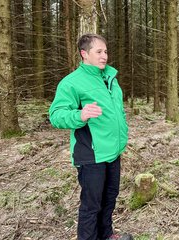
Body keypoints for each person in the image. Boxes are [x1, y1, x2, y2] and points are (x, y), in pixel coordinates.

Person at [49, 34, 132, 240]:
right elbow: (56, 115)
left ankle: (106, 235)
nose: (104, 56)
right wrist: (80, 115)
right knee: (91, 204)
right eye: (99, 52)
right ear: (84, 54)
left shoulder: (110, 78)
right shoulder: (72, 83)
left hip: (113, 151)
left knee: (110, 198)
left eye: (105, 51)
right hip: (91, 154)